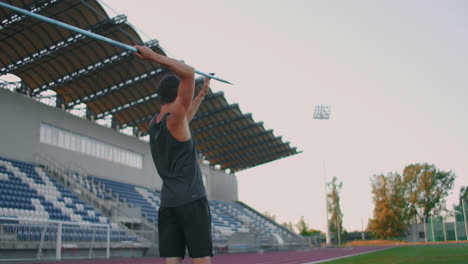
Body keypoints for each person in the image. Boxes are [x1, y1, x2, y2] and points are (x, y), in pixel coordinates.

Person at [134, 45, 212, 264]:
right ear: (179, 94)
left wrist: (202, 93)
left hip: (168, 204)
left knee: (172, 260)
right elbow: (189, 71)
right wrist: (153, 57)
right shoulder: (176, 118)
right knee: (201, 258)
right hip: (192, 200)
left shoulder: (155, 124)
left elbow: (185, 118)